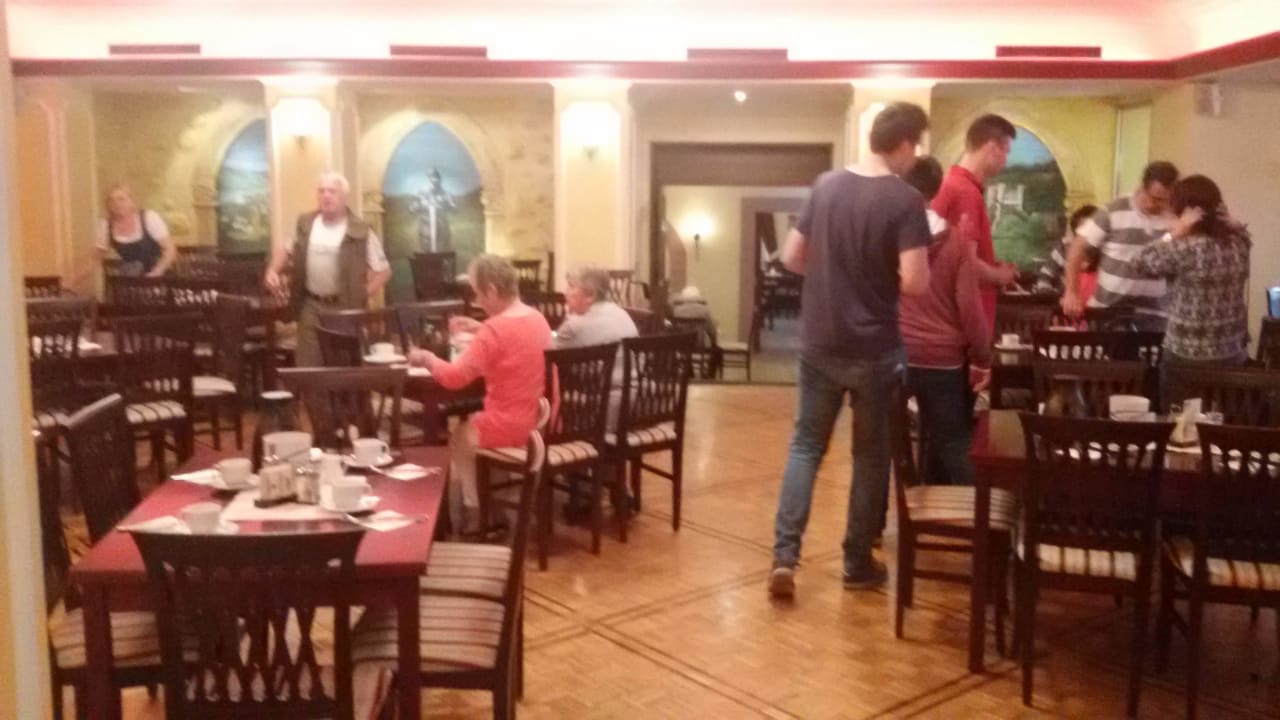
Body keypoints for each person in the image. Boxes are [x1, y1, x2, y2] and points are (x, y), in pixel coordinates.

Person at [769, 102, 932, 598]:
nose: (915, 155)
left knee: (805, 447)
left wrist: (831, 274)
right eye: (916, 145)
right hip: (875, 349)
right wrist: (875, 276)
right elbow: (916, 282)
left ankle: (784, 558)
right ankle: (857, 563)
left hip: (819, 342)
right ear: (904, 143)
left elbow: (791, 256)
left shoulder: (826, 186)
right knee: (869, 457)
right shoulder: (905, 200)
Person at [408, 255, 552, 534]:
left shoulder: (494, 330)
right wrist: (480, 327)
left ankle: (479, 509)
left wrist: (426, 358)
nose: (476, 301)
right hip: (539, 420)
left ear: (493, 291)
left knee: (461, 437)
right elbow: (512, 340)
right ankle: (496, 501)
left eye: (478, 293)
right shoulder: (537, 318)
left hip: (510, 424)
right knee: (473, 429)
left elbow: (455, 378)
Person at [899, 156, 991, 486]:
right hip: (943, 361)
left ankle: (898, 507)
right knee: (953, 442)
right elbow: (970, 309)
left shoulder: (889, 238)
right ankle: (974, 511)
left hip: (897, 356)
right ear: (937, 190)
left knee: (890, 443)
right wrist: (982, 358)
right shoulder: (955, 242)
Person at [264, 172, 392, 367]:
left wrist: (360, 293)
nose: (326, 196)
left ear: (344, 196)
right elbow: (286, 248)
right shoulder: (306, 223)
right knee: (308, 366)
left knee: (342, 365)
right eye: (321, 191)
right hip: (311, 305)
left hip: (343, 307)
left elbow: (383, 271)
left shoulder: (360, 229)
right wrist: (272, 271)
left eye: (332, 191)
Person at [1132, 175, 1250, 386]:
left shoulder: (1185, 248)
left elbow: (1139, 261)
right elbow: (1246, 237)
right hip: (1232, 350)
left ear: (1184, 211)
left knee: (1178, 407)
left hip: (1187, 353)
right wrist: (1234, 224)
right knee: (1222, 406)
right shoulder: (1237, 244)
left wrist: (1174, 233)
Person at [554, 265, 640, 522]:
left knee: (560, 414)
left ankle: (582, 494)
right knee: (583, 404)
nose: (565, 292)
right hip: (634, 403)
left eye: (572, 287)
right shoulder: (621, 313)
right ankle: (618, 489)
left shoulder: (576, 325)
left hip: (605, 409)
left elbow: (546, 356)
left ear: (590, 296)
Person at [1061, 161, 1179, 331]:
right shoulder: (1114, 209)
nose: (1156, 204)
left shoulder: (1175, 216)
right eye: (1154, 198)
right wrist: (1072, 292)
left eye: (1164, 200)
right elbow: (1078, 247)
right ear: (1143, 188)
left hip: (1154, 315)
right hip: (1107, 312)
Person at [931, 114, 1020, 329]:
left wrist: (993, 267)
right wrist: (1000, 276)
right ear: (991, 148)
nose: (1006, 160)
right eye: (1006, 151)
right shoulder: (965, 192)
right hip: (961, 324)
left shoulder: (951, 184)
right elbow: (965, 263)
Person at [76, 184, 177, 284]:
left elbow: (170, 250)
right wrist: (72, 281)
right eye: (111, 200)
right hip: (129, 278)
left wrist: (155, 274)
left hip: (160, 278)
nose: (117, 204)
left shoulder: (149, 218)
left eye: (121, 199)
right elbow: (94, 259)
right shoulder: (106, 226)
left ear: (132, 202)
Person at [1033, 204, 1099, 296]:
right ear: (1075, 231)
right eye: (1083, 229)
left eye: (1093, 229)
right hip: (1063, 299)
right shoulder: (1063, 249)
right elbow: (1045, 275)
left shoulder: (1107, 253)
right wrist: (1046, 291)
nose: (1089, 233)